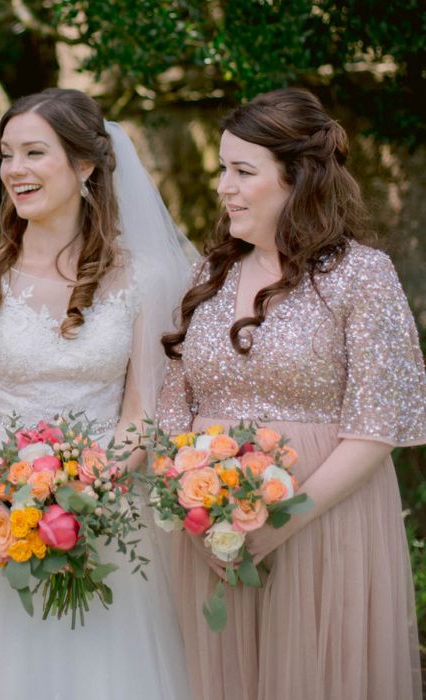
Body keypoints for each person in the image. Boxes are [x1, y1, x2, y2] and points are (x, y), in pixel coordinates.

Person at [0, 88, 194, 699]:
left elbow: (141, 412)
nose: (15, 169)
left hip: (110, 510)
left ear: (84, 165)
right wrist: (9, 497)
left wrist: (87, 497)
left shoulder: (142, 275)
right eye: (8, 154)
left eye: (34, 153)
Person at [157, 87, 425, 700]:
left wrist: (277, 521)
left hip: (323, 522)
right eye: (222, 168)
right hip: (210, 530)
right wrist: (194, 503)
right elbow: (176, 403)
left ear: (296, 179)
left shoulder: (361, 274)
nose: (223, 186)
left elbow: (377, 426)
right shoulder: (210, 274)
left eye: (242, 171)